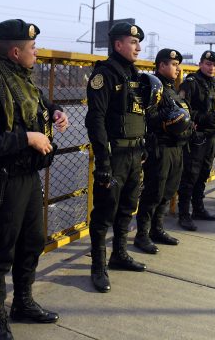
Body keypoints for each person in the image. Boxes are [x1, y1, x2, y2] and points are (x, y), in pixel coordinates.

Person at [0, 19, 69, 340]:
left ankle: (23, 302)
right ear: (14, 51)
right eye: (32, 48)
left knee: (32, 243)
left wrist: (56, 112)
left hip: (27, 177)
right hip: (3, 181)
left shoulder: (22, 80)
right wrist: (27, 138)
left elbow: (39, 104)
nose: (36, 53)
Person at [85, 22, 152, 293]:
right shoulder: (105, 75)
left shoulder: (134, 75)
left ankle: (119, 254)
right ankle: (98, 265)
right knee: (104, 212)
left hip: (135, 152)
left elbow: (139, 113)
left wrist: (143, 144)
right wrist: (102, 160)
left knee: (127, 207)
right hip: (115, 156)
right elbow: (96, 119)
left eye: (138, 43)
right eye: (132, 42)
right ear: (117, 45)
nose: (138, 47)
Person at [134, 48, 192, 254]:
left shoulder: (172, 89)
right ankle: (141, 235)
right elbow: (147, 118)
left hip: (177, 148)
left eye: (178, 65)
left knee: (168, 191)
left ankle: (157, 229)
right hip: (161, 148)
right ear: (161, 65)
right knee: (153, 192)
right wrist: (166, 119)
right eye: (174, 65)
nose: (178, 69)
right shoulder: (152, 86)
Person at [177, 50, 215, 231]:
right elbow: (181, 110)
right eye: (207, 64)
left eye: (213, 65)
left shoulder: (213, 85)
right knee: (190, 176)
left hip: (210, 138)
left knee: (204, 173)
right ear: (200, 64)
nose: (211, 67)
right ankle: (184, 214)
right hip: (195, 138)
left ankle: (198, 208)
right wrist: (203, 118)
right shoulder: (191, 84)